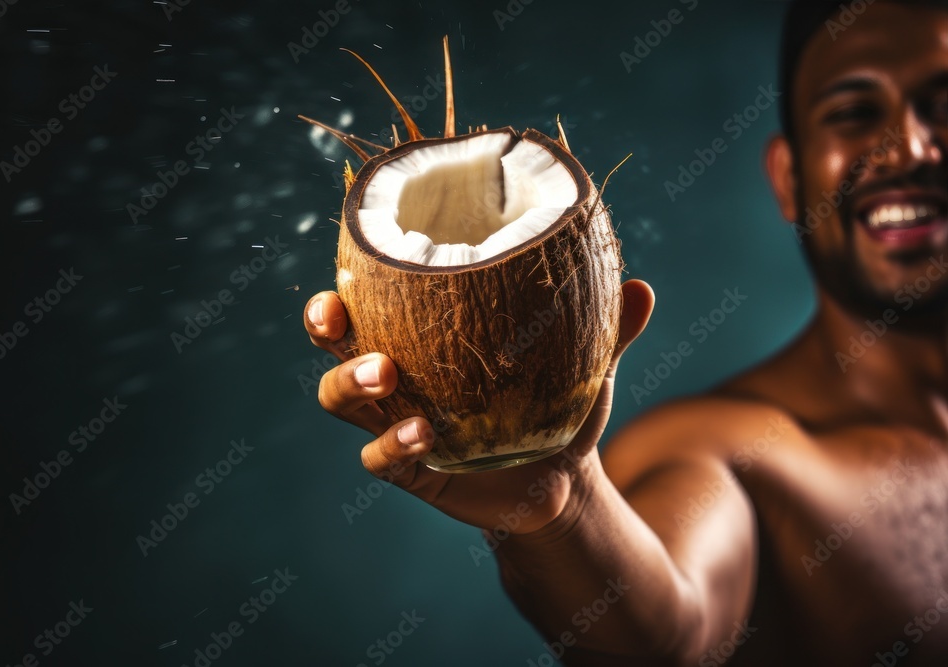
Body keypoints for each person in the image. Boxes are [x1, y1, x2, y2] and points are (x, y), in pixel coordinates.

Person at [303, 1, 948, 663]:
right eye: (854, 114)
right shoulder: (736, 454)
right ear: (789, 177)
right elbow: (667, 640)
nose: (913, 150)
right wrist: (564, 510)